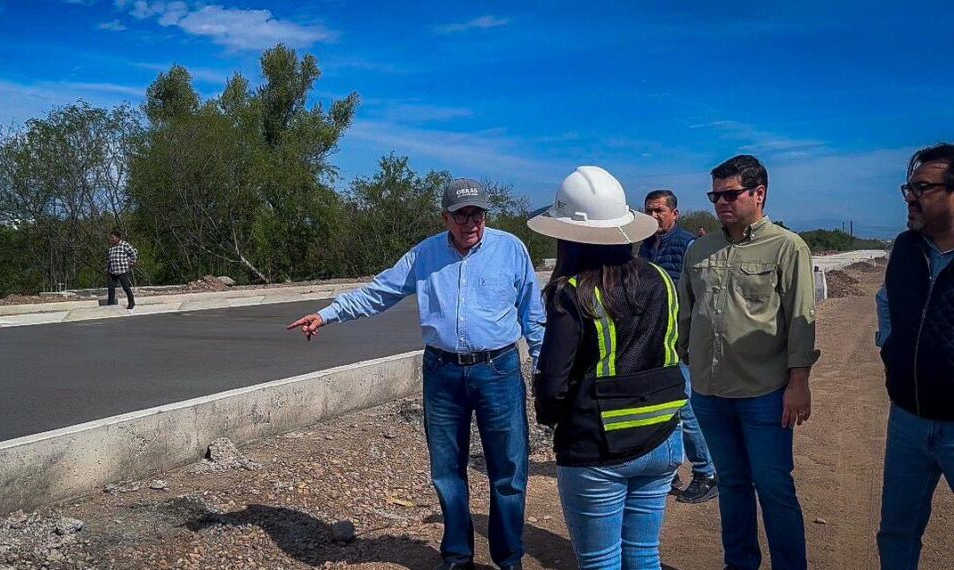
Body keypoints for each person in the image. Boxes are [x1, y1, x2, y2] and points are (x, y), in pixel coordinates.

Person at [287, 178, 545, 570]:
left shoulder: (511, 249)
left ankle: (509, 558)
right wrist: (327, 314)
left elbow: (533, 314)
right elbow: (379, 291)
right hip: (442, 372)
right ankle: (457, 555)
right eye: (461, 215)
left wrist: (543, 368)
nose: (470, 222)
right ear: (446, 217)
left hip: (499, 369)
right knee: (446, 469)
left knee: (508, 469)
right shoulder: (425, 255)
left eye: (477, 213)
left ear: (485, 215)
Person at [529, 166, 686, 570]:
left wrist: (551, 418)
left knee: (600, 560)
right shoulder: (660, 279)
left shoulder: (572, 292)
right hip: (664, 433)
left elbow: (553, 382)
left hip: (598, 444)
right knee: (644, 554)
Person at [678, 155, 819, 570]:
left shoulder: (786, 246)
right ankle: (739, 563)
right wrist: (683, 362)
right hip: (709, 392)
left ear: (759, 193)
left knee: (774, 487)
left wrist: (799, 382)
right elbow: (687, 313)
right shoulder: (699, 249)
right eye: (715, 194)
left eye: (730, 193)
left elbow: (800, 319)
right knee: (733, 484)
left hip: (764, 393)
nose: (721, 201)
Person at [875, 143, 954, 570]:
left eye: (922, 187)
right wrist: (890, 347)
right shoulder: (906, 248)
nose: (910, 197)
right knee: (897, 534)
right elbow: (885, 300)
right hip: (908, 418)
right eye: (909, 186)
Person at [638, 189, 718, 504]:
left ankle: (706, 471)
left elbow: (699, 296)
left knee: (683, 405)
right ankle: (668, 470)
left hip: (678, 341)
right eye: (649, 211)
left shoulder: (688, 246)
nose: (654, 216)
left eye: (659, 210)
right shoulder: (643, 247)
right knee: (659, 406)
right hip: (650, 341)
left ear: (674, 213)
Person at [106, 230, 137, 310]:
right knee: (111, 287)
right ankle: (111, 303)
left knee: (125, 287)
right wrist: (108, 270)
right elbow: (109, 259)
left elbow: (134, 252)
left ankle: (131, 302)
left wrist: (131, 262)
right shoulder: (111, 247)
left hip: (122, 270)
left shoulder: (124, 244)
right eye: (110, 238)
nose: (111, 239)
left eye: (112, 237)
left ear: (118, 238)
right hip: (112, 271)